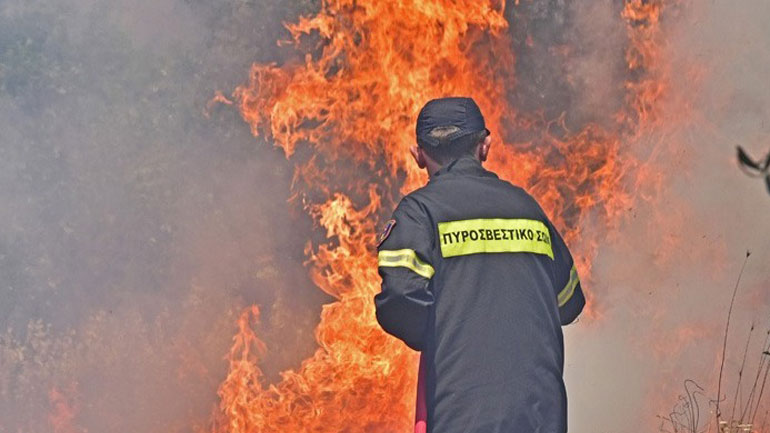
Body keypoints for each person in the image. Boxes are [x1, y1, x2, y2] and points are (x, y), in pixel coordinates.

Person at [374, 97, 585, 433]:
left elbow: (401, 297)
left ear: (418, 155)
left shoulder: (419, 213)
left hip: (464, 416)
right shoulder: (528, 209)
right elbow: (569, 301)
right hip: (542, 418)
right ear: (485, 146)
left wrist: (443, 331)